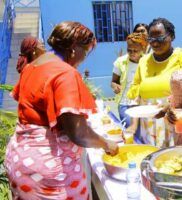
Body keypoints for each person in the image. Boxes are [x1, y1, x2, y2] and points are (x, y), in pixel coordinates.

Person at [5, 21, 119, 200]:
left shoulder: (31, 67)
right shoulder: (64, 73)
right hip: (50, 172)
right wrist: (106, 144)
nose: (84, 59)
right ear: (74, 49)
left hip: (19, 161)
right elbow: (78, 133)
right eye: (86, 52)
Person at [127, 18, 182, 147]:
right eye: (151, 39)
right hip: (149, 124)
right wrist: (133, 126)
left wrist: (170, 105)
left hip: (174, 122)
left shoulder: (181, 56)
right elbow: (134, 94)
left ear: (171, 36)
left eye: (160, 39)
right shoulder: (144, 61)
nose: (155, 44)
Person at [111, 32, 147, 138]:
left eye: (135, 51)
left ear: (143, 49)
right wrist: (115, 86)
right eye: (129, 50)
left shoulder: (147, 62)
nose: (132, 53)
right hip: (125, 103)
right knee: (131, 133)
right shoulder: (120, 62)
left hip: (143, 104)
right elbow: (114, 81)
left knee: (143, 135)